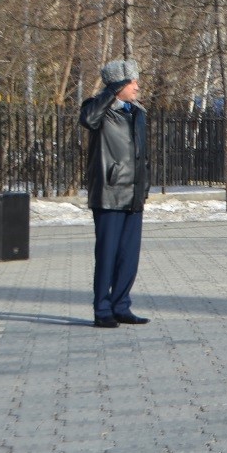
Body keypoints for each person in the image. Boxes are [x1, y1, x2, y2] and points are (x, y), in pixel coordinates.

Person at [80, 59, 152, 328]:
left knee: (128, 257)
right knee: (107, 255)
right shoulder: (97, 109)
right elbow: (87, 120)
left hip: (133, 195)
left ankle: (122, 306)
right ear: (118, 84)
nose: (137, 86)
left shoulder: (138, 112)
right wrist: (108, 93)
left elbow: (143, 155)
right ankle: (102, 310)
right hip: (109, 194)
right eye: (132, 82)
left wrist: (144, 185)